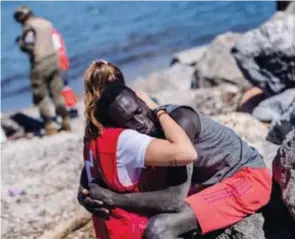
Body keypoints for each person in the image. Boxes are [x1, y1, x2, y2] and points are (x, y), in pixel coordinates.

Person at [78, 60, 272, 238]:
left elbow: (174, 200)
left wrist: (114, 199)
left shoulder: (181, 120)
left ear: (145, 102)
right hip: (210, 184)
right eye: (129, 122)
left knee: (159, 227)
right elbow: (95, 168)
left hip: (246, 178)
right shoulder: (138, 136)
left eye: (139, 112)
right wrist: (86, 194)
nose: (141, 123)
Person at [81, 60, 197, 239]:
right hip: (134, 229)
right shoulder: (124, 139)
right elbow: (185, 153)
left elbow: (88, 179)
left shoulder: (92, 136)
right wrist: (158, 110)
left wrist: (83, 195)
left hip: (107, 231)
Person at [14, 6, 71, 135]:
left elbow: (29, 45)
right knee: (57, 91)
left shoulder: (29, 27)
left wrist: (20, 44)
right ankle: (65, 118)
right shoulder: (45, 22)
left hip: (40, 62)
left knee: (40, 94)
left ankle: (49, 124)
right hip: (53, 59)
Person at [51, 28, 79, 117]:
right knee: (65, 84)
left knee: (59, 86)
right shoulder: (54, 32)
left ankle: (68, 108)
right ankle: (72, 106)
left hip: (56, 60)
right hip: (63, 58)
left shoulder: (46, 34)